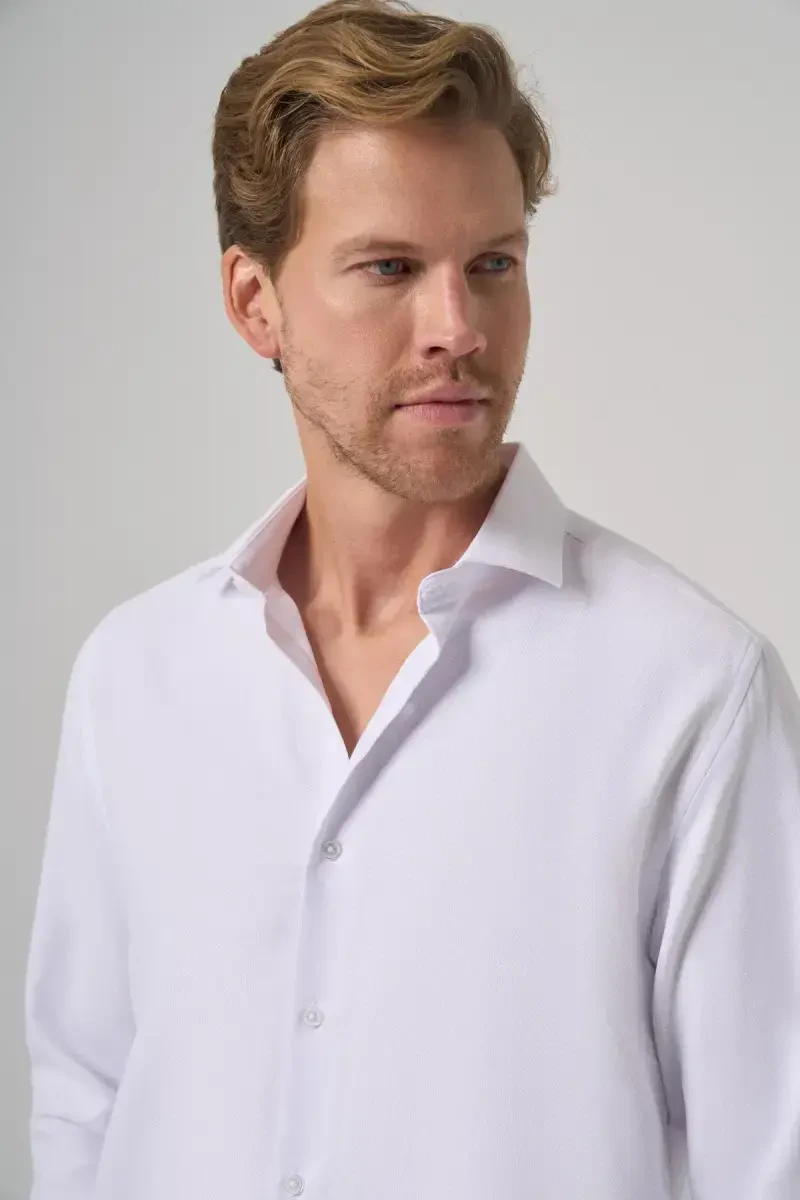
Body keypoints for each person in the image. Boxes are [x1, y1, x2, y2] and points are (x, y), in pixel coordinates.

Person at [24, 0, 800, 1197]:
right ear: (254, 302)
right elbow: (85, 1098)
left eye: (492, 265)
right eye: (389, 268)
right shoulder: (136, 675)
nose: (458, 329)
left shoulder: (691, 692)